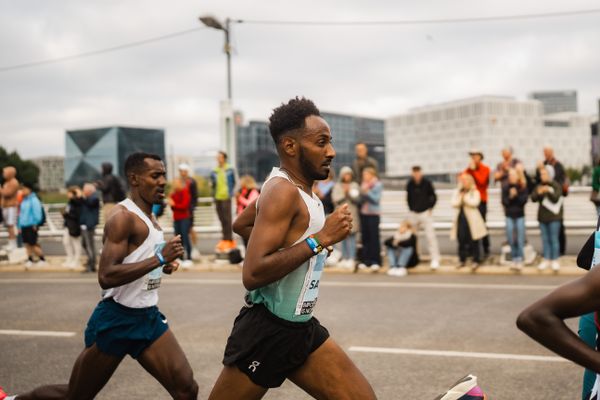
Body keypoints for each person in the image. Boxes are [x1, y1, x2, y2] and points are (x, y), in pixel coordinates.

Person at [208, 97, 376, 400]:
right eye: (321, 142)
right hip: (267, 331)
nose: (332, 152)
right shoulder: (282, 191)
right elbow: (254, 272)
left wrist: (305, 248)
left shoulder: (295, 188)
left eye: (330, 142)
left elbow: (242, 224)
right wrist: (319, 240)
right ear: (290, 146)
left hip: (300, 327)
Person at [6, 152, 198, 400]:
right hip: (117, 319)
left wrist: (163, 266)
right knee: (76, 396)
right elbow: (106, 275)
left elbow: (137, 259)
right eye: (155, 175)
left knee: (186, 389)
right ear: (135, 179)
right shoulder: (122, 218)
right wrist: (159, 258)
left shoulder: (151, 217)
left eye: (163, 175)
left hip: (147, 317)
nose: (163, 181)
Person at [406, 165, 440, 270]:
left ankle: (435, 258)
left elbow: (434, 196)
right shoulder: (410, 184)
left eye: (418, 172)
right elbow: (408, 197)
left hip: (425, 212)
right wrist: (411, 208)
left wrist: (430, 208)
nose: (416, 174)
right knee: (413, 237)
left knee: (430, 236)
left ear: (421, 173)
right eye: (414, 172)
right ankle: (416, 257)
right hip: (414, 213)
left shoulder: (427, 183)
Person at [451, 173, 487, 270]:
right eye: (462, 180)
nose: (464, 182)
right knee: (461, 239)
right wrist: (461, 197)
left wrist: (464, 197)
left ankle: (476, 259)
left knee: (474, 240)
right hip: (461, 218)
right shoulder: (458, 191)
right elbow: (454, 203)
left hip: (472, 220)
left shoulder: (474, 191)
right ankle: (462, 259)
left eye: (466, 180)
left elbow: (474, 203)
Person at [531, 165, 563, 272]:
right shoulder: (539, 186)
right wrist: (539, 193)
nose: (542, 176)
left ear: (550, 174)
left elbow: (555, 198)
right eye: (541, 174)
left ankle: (555, 260)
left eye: (544, 174)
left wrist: (548, 190)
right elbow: (533, 198)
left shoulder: (555, 185)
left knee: (554, 239)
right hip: (542, 217)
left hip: (554, 217)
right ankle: (546, 259)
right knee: (545, 240)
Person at [539, 146, 568, 255]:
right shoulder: (543, 164)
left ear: (551, 152)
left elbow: (561, 180)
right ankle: (549, 253)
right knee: (548, 233)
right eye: (544, 152)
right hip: (545, 204)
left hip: (556, 199)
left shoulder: (558, 165)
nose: (545, 154)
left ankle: (561, 250)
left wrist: (551, 187)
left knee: (559, 226)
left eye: (547, 152)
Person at [331, 166, 361, 269]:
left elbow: (357, 199)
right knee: (342, 236)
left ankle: (352, 258)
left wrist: (349, 193)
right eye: (345, 174)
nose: (347, 176)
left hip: (352, 214)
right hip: (341, 214)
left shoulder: (354, 185)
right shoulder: (337, 186)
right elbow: (335, 199)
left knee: (352, 237)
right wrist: (344, 193)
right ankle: (344, 258)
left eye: (349, 174)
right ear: (342, 175)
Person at [464, 149, 491, 258]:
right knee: (471, 226)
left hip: (481, 202)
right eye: (472, 156)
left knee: (482, 225)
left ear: (480, 157)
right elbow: (463, 178)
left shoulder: (485, 169)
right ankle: (472, 250)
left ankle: (485, 248)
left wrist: (473, 171)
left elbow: (482, 181)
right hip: (470, 201)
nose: (473, 158)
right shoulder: (469, 169)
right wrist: (470, 170)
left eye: (475, 155)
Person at [501, 168, 528, 271]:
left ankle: (520, 259)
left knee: (520, 238)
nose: (511, 177)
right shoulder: (505, 187)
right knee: (511, 238)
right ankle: (514, 258)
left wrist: (516, 195)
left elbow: (523, 201)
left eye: (513, 175)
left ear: (517, 176)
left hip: (520, 215)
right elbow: (504, 202)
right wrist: (510, 196)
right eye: (510, 175)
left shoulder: (522, 187)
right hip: (509, 216)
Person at [358, 167, 383, 272]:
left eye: (366, 175)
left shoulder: (378, 184)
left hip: (373, 214)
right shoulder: (363, 185)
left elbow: (376, 199)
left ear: (372, 175)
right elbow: (360, 199)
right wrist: (363, 193)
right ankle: (365, 261)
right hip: (364, 213)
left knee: (374, 238)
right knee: (365, 237)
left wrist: (367, 192)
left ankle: (375, 261)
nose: (364, 177)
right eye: (363, 175)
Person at [210, 151, 237, 252]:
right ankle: (224, 239)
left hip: (226, 197)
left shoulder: (230, 169)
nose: (218, 158)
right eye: (217, 157)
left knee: (227, 219)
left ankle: (229, 240)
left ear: (224, 158)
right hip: (217, 197)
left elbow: (236, 182)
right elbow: (213, 184)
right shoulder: (214, 171)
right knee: (221, 219)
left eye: (220, 157)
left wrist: (232, 193)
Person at [17, 182, 47, 268]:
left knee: (33, 244)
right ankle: (30, 259)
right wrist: (19, 225)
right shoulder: (24, 200)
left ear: (29, 189)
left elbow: (37, 214)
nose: (22, 191)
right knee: (27, 244)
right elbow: (21, 214)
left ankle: (42, 259)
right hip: (24, 225)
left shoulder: (34, 200)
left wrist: (35, 223)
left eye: (24, 189)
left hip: (31, 225)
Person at [169, 177, 193, 268]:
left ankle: (189, 258)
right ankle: (181, 258)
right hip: (176, 218)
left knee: (185, 238)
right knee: (178, 239)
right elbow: (172, 208)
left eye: (176, 183)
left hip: (184, 218)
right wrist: (172, 204)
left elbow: (184, 206)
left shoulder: (185, 191)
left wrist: (174, 204)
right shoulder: (173, 194)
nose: (174, 185)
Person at [80, 183, 100, 273]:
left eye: (84, 190)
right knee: (85, 244)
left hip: (89, 225)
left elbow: (90, 203)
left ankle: (91, 265)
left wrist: (83, 197)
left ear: (89, 190)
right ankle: (91, 262)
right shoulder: (87, 198)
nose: (83, 191)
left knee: (89, 245)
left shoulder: (94, 198)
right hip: (85, 224)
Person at [178, 164, 198, 254]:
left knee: (190, 229)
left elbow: (195, 196)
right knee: (180, 231)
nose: (182, 173)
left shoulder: (191, 181)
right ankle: (183, 251)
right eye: (181, 171)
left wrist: (192, 207)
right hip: (180, 211)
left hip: (188, 210)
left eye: (184, 171)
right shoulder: (177, 182)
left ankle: (194, 248)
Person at [62, 186, 83, 269]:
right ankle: (70, 258)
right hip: (68, 225)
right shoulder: (70, 202)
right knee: (66, 241)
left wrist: (78, 195)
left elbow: (77, 214)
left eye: (70, 193)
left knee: (76, 243)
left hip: (75, 226)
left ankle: (76, 260)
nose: (68, 195)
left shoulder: (78, 202)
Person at [236, 175, 260, 248]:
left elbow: (251, 204)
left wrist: (240, 198)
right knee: (245, 240)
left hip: (251, 220)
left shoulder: (254, 191)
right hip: (243, 217)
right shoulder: (243, 191)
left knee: (250, 240)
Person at [1, 166, 20, 251]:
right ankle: (10, 242)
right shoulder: (6, 183)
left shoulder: (14, 182)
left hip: (11, 207)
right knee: (8, 226)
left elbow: (7, 193)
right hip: (5, 207)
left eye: (5, 172)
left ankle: (13, 244)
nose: (3, 174)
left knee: (11, 225)